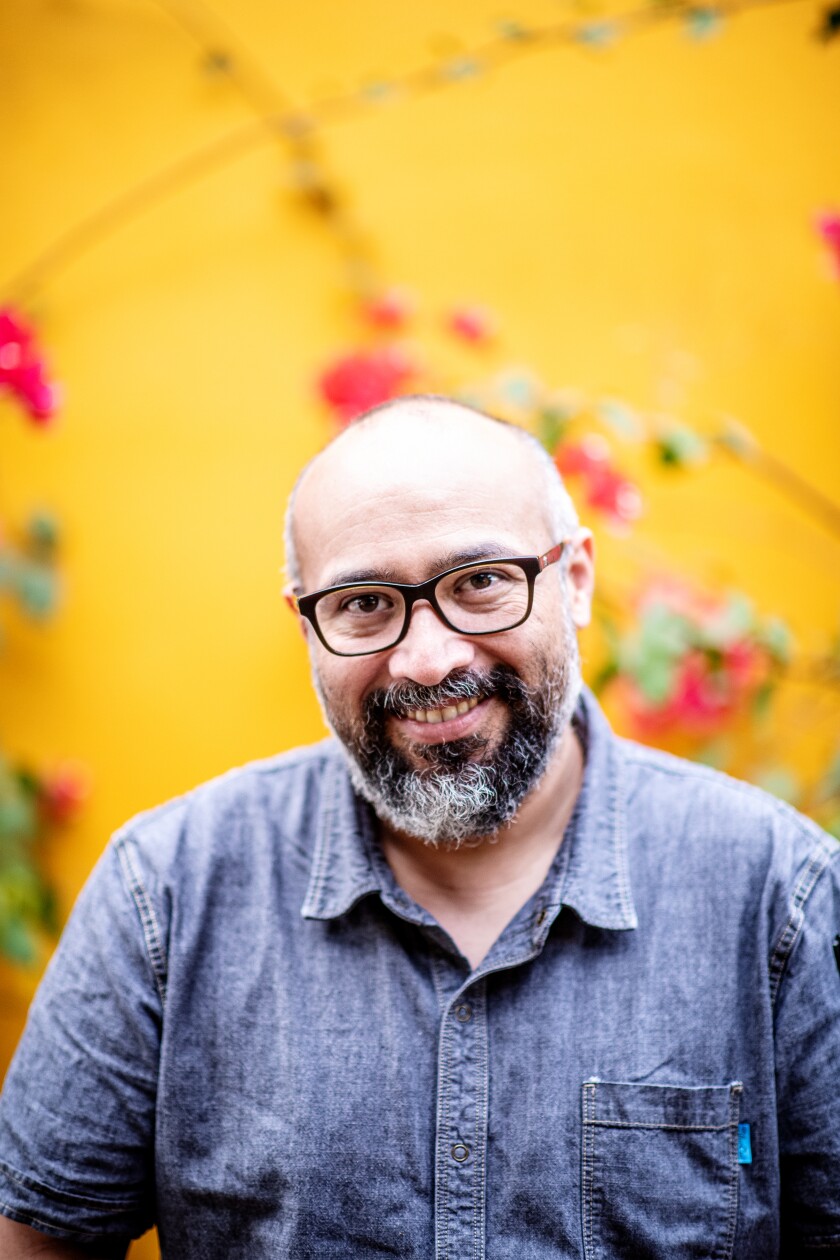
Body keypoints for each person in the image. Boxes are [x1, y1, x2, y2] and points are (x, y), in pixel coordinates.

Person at [0, 396, 838, 1259]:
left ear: (574, 580)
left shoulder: (783, 898)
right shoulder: (167, 890)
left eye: (479, 583)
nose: (429, 660)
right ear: (307, 627)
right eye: (365, 601)